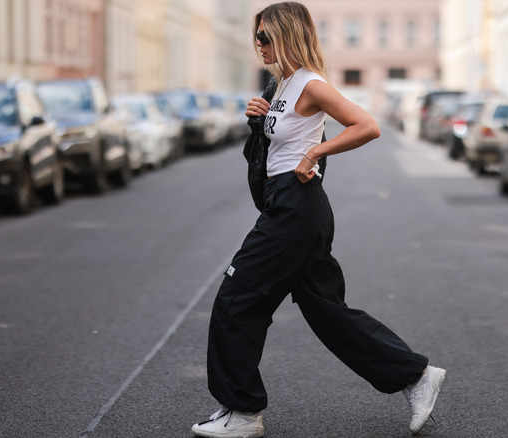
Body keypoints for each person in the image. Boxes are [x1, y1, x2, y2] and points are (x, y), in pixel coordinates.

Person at [191, 3, 446, 437]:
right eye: (257, 37)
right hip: (288, 206)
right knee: (326, 311)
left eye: (266, 37)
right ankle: (416, 376)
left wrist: (315, 153)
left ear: (288, 35)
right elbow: (276, 148)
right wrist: (259, 120)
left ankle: (243, 412)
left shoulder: (310, 82)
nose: (259, 45)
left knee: (237, 300)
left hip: (296, 211)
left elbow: (365, 125)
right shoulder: (284, 84)